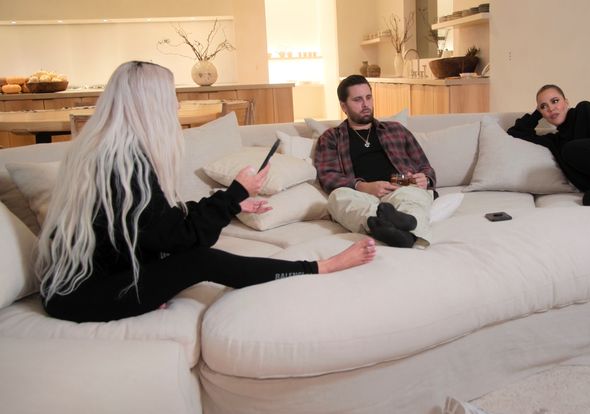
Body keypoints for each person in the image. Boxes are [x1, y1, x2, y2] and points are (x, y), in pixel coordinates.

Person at [36, 61, 376, 323]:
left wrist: (232, 202)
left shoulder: (104, 151)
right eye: (169, 97)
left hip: (82, 283)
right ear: (150, 105)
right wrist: (233, 194)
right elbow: (181, 239)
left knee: (185, 257)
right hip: (82, 294)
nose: (174, 105)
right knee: (199, 262)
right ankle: (318, 268)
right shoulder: (126, 162)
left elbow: (148, 227)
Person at [314, 74, 437, 248]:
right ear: (344, 106)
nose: (365, 105)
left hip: (400, 187)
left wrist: (425, 178)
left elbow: (424, 165)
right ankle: (399, 232)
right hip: (362, 196)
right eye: (357, 100)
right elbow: (328, 177)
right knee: (337, 198)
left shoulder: (396, 130)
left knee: (412, 194)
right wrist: (363, 186)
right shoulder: (331, 137)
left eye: (368, 97)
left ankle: (400, 226)